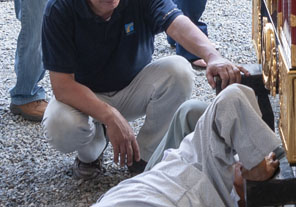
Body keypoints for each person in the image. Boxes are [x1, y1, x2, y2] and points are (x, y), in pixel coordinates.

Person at [42, 0, 245, 180]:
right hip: (86, 97)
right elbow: (62, 87)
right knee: (59, 124)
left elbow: (176, 23)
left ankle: (145, 156)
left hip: (133, 87)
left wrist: (212, 55)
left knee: (180, 69)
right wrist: (109, 115)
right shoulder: (59, 10)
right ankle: (90, 153)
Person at [91, 84, 279, 206]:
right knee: (191, 112)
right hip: (136, 196)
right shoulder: (202, 153)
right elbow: (232, 98)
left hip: (145, 197)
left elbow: (231, 100)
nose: (239, 163)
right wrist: (256, 166)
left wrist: (255, 167)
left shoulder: (213, 176)